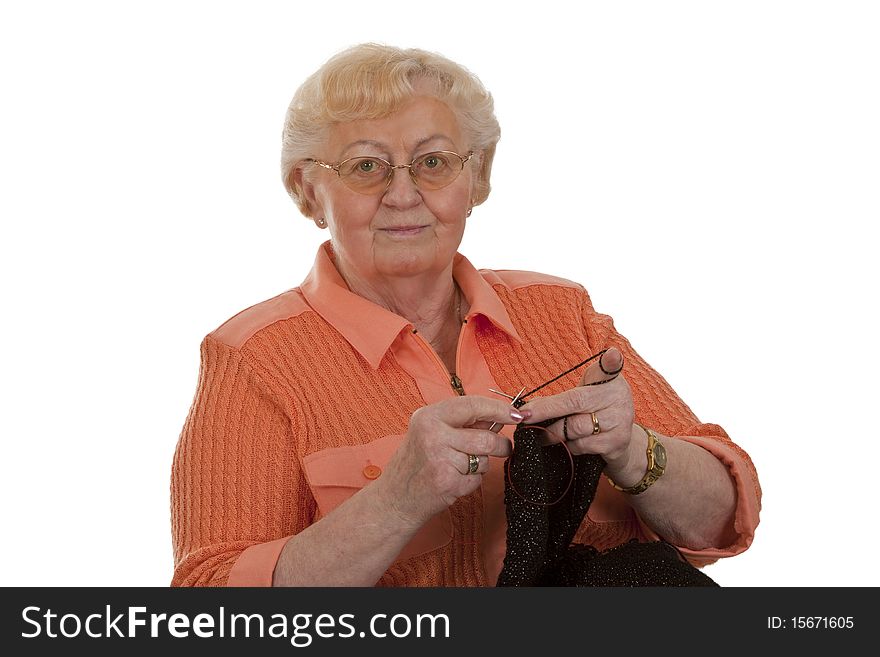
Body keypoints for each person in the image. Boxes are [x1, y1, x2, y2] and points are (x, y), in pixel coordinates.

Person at [170, 43, 761, 587]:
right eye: (365, 167)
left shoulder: (563, 313)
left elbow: (722, 520)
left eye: (433, 162)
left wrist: (636, 453)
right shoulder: (254, 358)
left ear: (476, 178)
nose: (403, 195)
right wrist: (394, 503)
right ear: (307, 192)